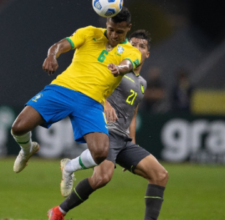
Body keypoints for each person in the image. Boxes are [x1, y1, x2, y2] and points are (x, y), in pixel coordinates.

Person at [47, 30, 169, 220]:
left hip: (124, 139)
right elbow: (92, 85)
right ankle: (58, 211)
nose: (137, 48)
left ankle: (59, 209)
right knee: (102, 178)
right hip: (106, 132)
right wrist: (105, 102)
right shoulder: (117, 69)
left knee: (160, 175)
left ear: (147, 54)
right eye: (133, 44)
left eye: (142, 46)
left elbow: (133, 113)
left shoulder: (142, 83)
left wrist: (133, 140)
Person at [11, 7, 141, 176]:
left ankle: (69, 167)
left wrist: (119, 67)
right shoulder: (88, 33)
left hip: (91, 101)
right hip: (63, 89)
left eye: (120, 32)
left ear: (128, 28)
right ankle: (28, 149)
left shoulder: (133, 51)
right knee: (18, 127)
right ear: (106, 23)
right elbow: (60, 45)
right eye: (111, 30)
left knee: (100, 153)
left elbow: (129, 64)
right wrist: (52, 55)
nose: (114, 35)